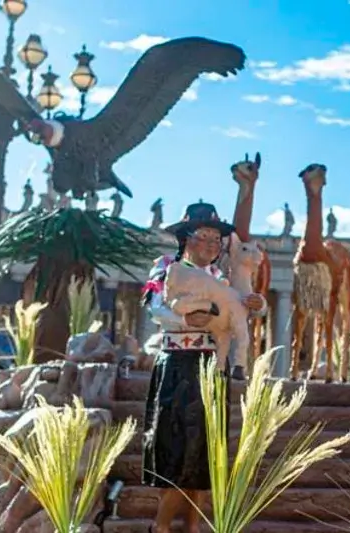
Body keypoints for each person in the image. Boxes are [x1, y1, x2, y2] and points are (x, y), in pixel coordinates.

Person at [140, 202, 266, 533]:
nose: (212, 245)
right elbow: (154, 307)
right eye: (204, 237)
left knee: (206, 450)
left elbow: (235, 313)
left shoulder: (220, 277)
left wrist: (253, 305)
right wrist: (182, 318)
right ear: (185, 238)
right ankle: (163, 526)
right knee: (177, 447)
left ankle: (194, 525)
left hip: (211, 367)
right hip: (177, 367)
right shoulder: (165, 268)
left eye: (216, 240)